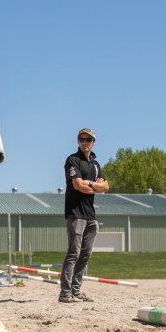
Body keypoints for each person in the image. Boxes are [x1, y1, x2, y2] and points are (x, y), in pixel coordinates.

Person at [59, 127, 110, 303]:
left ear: (93, 142)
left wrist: (90, 184)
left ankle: (76, 290)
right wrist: (94, 186)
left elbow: (106, 187)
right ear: (78, 141)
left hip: (90, 215)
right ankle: (65, 293)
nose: (85, 142)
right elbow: (78, 185)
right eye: (81, 139)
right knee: (74, 252)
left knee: (85, 254)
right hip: (75, 213)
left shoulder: (95, 165)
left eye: (88, 139)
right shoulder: (72, 160)